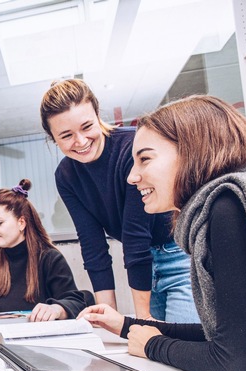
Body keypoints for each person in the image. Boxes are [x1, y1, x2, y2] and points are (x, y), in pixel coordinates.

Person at [80, 95, 246, 371]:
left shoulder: (227, 208)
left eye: (145, 159)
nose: (131, 176)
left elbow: (234, 363)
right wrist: (126, 325)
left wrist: (152, 346)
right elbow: (227, 336)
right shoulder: (232, 202)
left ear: (192, 151)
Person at [40, 78, 198, 323]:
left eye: (87, 126)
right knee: (156, 353)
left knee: (180, 345)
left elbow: (135, 234)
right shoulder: (66, 176)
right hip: (146, 269)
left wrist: (142, 318)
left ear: (98, 115)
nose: (80, 141)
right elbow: (92, 245)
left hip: (178, 254)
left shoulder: (132, 149)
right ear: (52, 138)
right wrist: (107, 314)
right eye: (66, 135)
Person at [0, 179, 87, 322]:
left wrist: (57, 309)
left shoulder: (50, 259)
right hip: (3, 341)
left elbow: (76, 303)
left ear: (21, 223)